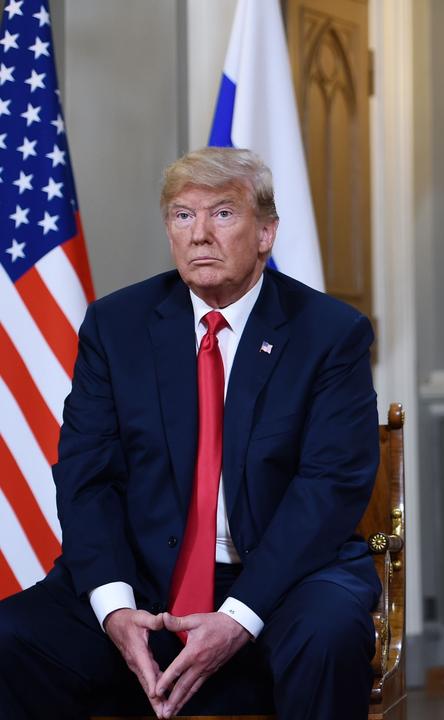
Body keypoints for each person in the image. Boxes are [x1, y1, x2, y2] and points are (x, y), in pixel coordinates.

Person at [0, 147, 381, 719]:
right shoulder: (116, 325)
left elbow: (327, 490)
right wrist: (114, 607)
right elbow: (86, 476)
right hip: (146, 578)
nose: (200, 234)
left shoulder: (330, 334)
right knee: (13, 637)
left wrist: (239, 615)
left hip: (284, 578)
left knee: (327, 635)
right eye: (183, 215)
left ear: (266, 233)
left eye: (223, 214)